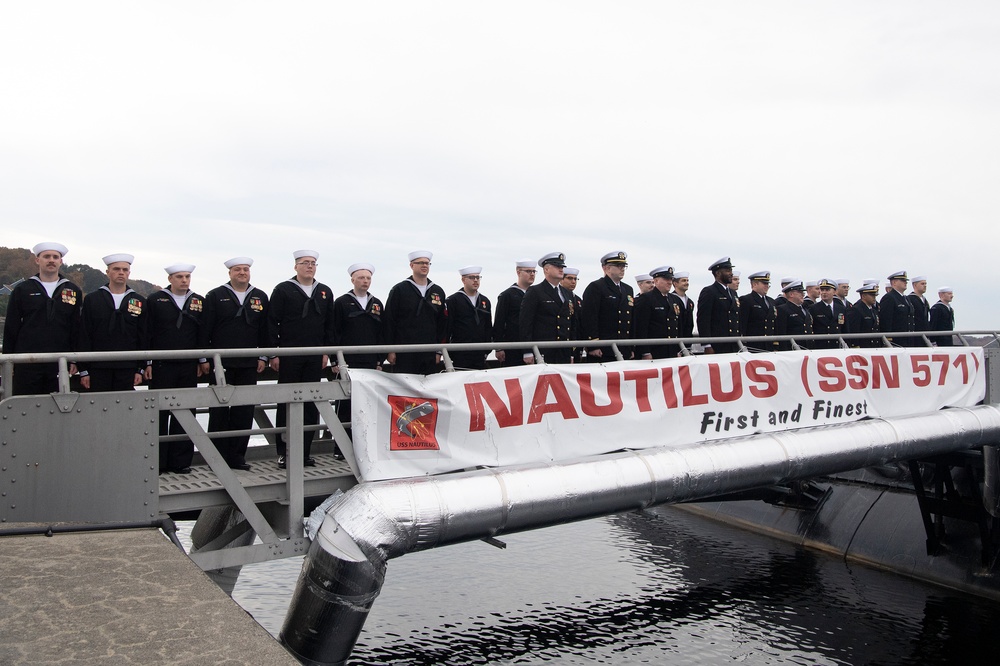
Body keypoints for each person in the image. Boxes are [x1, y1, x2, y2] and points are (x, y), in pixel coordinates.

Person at [200, 257, 270, 471]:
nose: (242, 273)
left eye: (246, 269)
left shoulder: (259, 296)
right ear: (229, 273)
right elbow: (205, 328)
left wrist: (263, 357)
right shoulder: (215, 295)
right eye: (238, 269)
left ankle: (238, 457)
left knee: (244, 411)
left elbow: (265, 330)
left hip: (249, 363)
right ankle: (217, 459)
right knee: (219, 411)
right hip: (220, 362)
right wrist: (204, 358)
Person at [268, 250, 336, 469]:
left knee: (310, 404)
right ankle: (284, 453)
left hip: (314, 356)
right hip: (289, 354)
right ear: (295, 266)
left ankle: (305, 452)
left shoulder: (324, 291)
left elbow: (329, 326)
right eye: (305, 263)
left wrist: (326, 352)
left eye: (313, 263)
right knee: (286, 402)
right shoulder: (283, 290)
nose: (310, 266)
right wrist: (274, 353)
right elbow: (272, 322)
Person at [147, 263, 210, 474]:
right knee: (159, 413)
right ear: (170, 279)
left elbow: (203, 333)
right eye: (180, 277)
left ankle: (180, 461)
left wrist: (202, 359)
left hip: (188, 365)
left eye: (187, 276)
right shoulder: (155, 301)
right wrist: (147, 363)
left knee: (186, 413)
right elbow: (147, 332)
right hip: (161, 364)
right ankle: (158, 461)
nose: (184, 280)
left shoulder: (198, 301)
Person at [2, 242, 83, 395]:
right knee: (25, 405)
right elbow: (11, 327)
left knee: (56, 408)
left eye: (55, 257)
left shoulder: (72, 291)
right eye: (46, 256)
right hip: (27, 360)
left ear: (61, 262)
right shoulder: (23, 289)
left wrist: (74, 358)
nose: (51, 260)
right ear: (37, 260)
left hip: (60, 361)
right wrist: (8, 359)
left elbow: (76, 328)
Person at [78, 253, 147, 392]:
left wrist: (140, 368)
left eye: (125, 270)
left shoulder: (139, 301)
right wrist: (83, 369)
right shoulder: (93, 299)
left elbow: (143, 335)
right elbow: (84, 333)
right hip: (98, 365)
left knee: (125, 408)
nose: (121, 272)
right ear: (107, 272)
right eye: (116, 269)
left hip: (127, 366)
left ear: (129, 273)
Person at [332, 262, 385, 437]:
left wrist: (380, 360)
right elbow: (334, 332)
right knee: (345, 405)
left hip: (370, 361)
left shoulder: (376, 303)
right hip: (347, 361)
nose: (365, 281)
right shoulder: (341, 303)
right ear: (352, 279)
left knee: (368, 403)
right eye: (361, 278)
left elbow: (381, 334)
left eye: (368, 278)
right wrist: (335, 360)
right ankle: (341, 447)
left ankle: (366, 440)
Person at [384, 251, 448, 374]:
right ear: (412, 265)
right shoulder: (400, 290)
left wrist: (438, 351)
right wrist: (390, 349)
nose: (424, 266)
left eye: (427, 263)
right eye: (420, 263)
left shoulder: (437, 291)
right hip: (404, 350)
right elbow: (390, 320)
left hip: (429, 350)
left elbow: (442, 323)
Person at [519, 252, 577, 365]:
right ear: (546, 270)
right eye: (557, 266)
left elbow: (571, 323)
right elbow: (525, 323)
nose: (561, 269)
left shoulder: (567, 294)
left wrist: (571, 352)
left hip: (563, 350)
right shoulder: (535, 291)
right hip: (543, 350)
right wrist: (527, 351)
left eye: (562, 267)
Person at [581, 251, 634, 362]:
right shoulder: (596, 287)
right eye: (619, 266)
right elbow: (589, 317)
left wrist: (631, 346)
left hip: (623, 347)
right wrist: (593, 345)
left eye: (624, 266)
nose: (622, 269)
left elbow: (630, 319)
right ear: (607, 268)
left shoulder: (628, 289)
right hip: (603, 348)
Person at [445, 266, 493, 370]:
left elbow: (488, 327)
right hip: (460, 353)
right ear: (463, 280)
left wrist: (487, 350)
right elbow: (447, 327)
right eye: (471, 277)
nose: (475, 280)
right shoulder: (453, 300)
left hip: (480, 354)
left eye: (477, 277)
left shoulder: (485, 301)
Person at [493, 259, 536, 367]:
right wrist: (499, 348)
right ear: (518, 272)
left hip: (533, 344)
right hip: (513, 346)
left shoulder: (536, 294)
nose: (532, 274)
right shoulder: (507, 295)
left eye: (533, 271)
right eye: (528, 271)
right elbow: (499, 322)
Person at [632, 266, 681, 359]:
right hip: (654, 351)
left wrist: (678, 349)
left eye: (671, 279)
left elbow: (678, 325)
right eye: (666, 279)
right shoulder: (646, 299)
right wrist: (645, 352)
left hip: (672, 350)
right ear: (656, 281)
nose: (670, 282)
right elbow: (641, 327)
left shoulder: (674, 299)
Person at [696, 257, 740, 354]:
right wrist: (707, 345)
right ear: (718, 273)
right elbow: (703, 319)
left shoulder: (733, 293)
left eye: (731, 270)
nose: (731, 273)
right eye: (727, 271)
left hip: (733, 345)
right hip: (718, 345)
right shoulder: (709, 292)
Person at [738, 271, 778, 352]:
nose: (767, 286)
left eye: (768, 284)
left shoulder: (771, 301)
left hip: (769, 345)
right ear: (754, 284)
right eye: (764, 283)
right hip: (753, 345)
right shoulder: (746, 300)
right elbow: (743, 323)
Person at [879, 270, 916, 347]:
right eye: (902, 280)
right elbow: (886, 320)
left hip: (909, 340)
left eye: (906, 281)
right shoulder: (889, 298)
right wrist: (888, 339)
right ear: (894, 282)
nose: (905, 282)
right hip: (896, 340)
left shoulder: (906, 299)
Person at [809, 278, 847, 349]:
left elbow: (845, 328)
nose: (824, 292)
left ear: (834, 291)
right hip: (821, 346)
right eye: (822, 290)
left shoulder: (841, 308)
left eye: (827, 290)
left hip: (837, 345)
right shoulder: (813, 308)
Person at [775, 281, 813, 351]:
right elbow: (781, 332)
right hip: (792, 349)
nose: (803, 295)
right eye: (800, 292)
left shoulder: (805, 309)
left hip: (808, 348)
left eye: (803, 292)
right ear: (791, 294)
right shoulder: (783, 309)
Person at [845, 282, 881, 348]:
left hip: (874, 346)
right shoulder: (856, 310)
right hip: (863, 346)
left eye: (875, 295)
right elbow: (854, 330)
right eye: (872, 295)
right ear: (863, 296)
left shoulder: (874, 310)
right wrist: (855, 345)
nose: (874, 297)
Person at [561, 267, 586, 361]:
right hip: (564, 343)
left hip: (577, 343)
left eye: (575, 279)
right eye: (569, 278)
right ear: (561, 280)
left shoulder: (578, 300)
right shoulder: (561, 298)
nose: (573, 281)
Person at [671, 271, 695, 339]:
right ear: (675, 283)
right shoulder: (671, 300)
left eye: (687, 280)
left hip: (687, 340)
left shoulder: (690, 302)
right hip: (675, 340)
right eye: (683, 281)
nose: (686, 283)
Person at [907, 276, 931, 340]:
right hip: (916, 334)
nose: (925, 286)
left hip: (925, 333)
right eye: (922, 284)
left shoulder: (924, 300)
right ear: (915, 285)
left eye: (925, 284)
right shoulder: (910, 299)